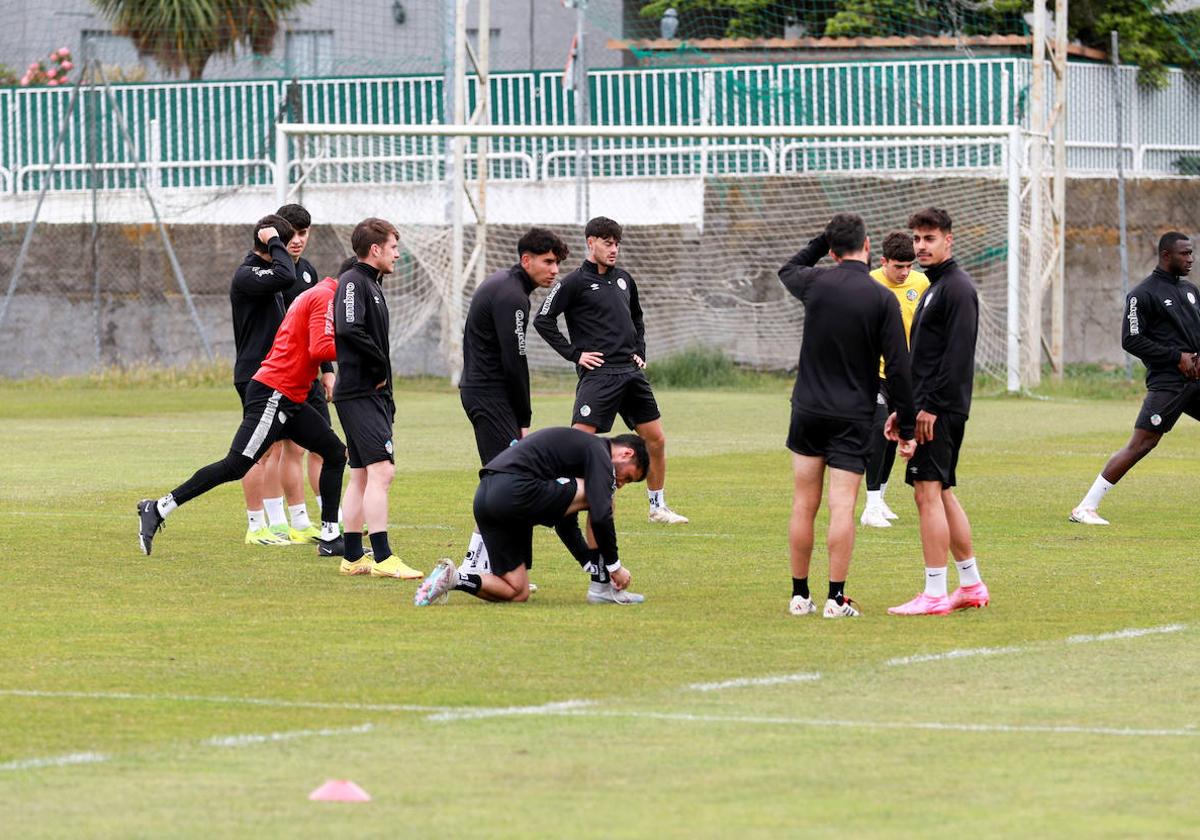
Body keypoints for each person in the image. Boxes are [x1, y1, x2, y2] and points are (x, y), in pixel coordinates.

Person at [137, 261, 347, 557]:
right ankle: (158, 507)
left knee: (334, 452)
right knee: (236, 465)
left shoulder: (321, 292)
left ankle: (330, 537)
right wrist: (359, 347)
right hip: (273, 394)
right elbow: (321, 348)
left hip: (292, 396)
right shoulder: (325, 296)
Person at [778, 214, 917, 619]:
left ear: (833, 250)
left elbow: (788, 267)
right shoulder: (881, 298)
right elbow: (899, 367)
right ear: (869, 246)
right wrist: (906, 425)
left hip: (807, 409)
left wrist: (823, 240)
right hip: (853, 414)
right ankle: (836, 600)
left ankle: (799, 596)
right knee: (842, 507)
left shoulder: (815, 283)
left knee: (804, 504)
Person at [533, 215, 687, 525]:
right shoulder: (574, 282)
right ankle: (560, 500)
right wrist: (575, 354)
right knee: (576, 443)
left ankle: (657, 507)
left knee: (656, 439)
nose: (613, 249)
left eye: (616, 243)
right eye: (607, 243)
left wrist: (639, 352)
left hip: (630, 373)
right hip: (600, 375)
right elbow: (543, 319)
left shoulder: (624, 280)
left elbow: (637, 319)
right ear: (591, 243)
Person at [885, 208, 990, 616]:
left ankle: (933, 594)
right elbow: (924, 359)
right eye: (917, 239)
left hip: (941, 411)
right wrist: (905, 409)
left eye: (929, 238)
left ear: (949, 239)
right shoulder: (935, 287)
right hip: (929, 408)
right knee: (941, 492)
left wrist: (929, 407)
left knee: (927, 494)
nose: (921, 246)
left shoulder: (957, 288)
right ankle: (970, 584)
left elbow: (959, 356)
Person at [413, 428, 649, 606]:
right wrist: (613, 566)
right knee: (602, 497)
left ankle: (454, 578)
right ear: (626, 453)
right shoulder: (597, 451)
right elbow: (600, 515)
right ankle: (602, 588)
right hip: (512, 492)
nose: (621, 483)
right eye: (628, 477)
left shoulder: (581, 457)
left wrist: (588, 561)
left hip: (486, 498)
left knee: (517, 591)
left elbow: (565, 522)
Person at [457, 227, 570, 576]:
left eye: (557, 263)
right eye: (548, 261)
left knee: (504, 480)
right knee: (506, 482)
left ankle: (484, 563)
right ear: (527, 259)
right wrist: (524, 414)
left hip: (484, 392)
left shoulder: (508, 285)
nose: (554, 270)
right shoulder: (512, 295)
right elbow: (514, 361)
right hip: (490, 395)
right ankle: (477, 565)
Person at [1070, 233, 1200, 525]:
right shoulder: (1142, 294)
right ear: (1166, 255)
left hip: (1196, 381)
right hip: (1168, 384)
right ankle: (1085, 508)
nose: (1191, 259)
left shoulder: (1191, 290)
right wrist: (1176, 357)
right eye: (1185, 254)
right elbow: (1131, 340)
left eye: (1192, 253)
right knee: (1142, 443)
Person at [332, 218, 423, 580]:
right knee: (382, 472)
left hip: (369, 394)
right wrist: (378, 366)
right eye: (393, 247)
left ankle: (353, 556)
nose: (398, 254)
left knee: (360, 475)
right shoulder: (354, 281)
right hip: (359, 393)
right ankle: (383, 557)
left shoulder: (373, 283)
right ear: (376, 249)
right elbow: (348, 328)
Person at [258, 202, 337, 544]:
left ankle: (320, 518)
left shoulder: (308, 272)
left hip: (308, 373)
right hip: (277, 375)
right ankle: (280, 521)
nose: (297, 240)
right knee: (275, 450)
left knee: (318, 447)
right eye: (291, 233)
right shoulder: (269, 272)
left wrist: (327, 369)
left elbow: (319, 325)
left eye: (303, 233)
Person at [228, 214, 297, 547]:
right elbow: (286, 273)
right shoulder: (248, 274)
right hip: (254, 374)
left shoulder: (266, 274)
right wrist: (273, 240)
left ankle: (280, 522)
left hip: (275, 373)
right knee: (256, 453)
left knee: (275, 449)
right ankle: (255, 527)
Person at [861, 232, 930, 528]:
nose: (904, 273)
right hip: (872, 373)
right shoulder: (869, 283)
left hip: (904, 376)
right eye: (898, 266)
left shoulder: (922, 283)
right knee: (878, 430)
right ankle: (870, 506)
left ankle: (880, 500)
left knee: (895, 435)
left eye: (909, 267)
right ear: (883, 262)